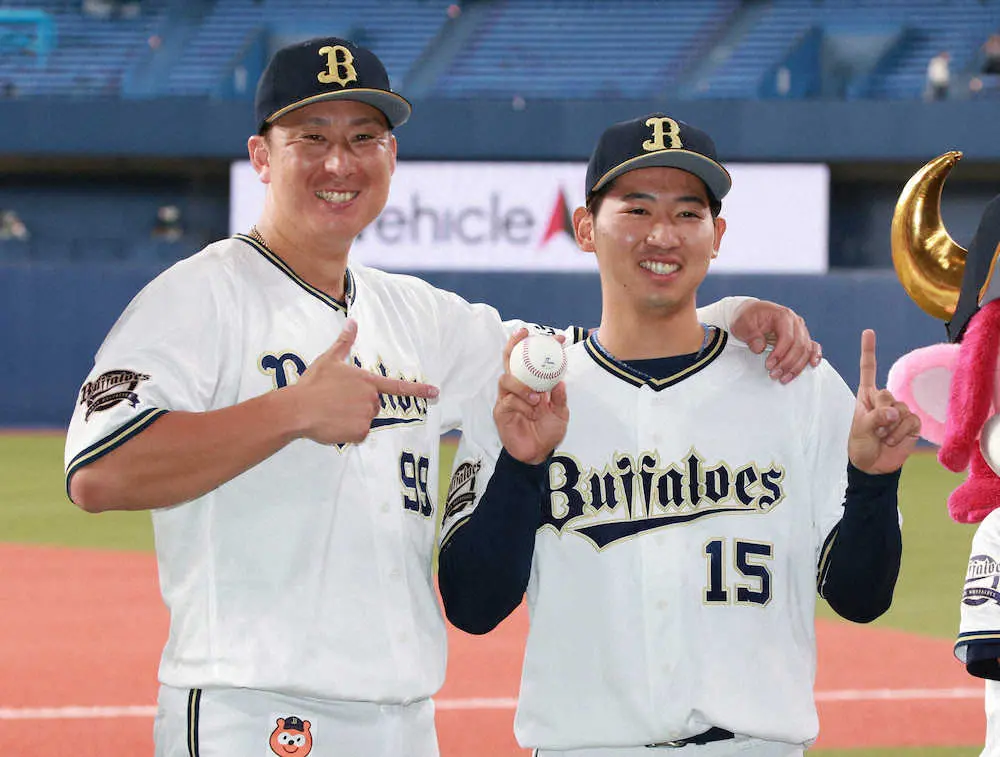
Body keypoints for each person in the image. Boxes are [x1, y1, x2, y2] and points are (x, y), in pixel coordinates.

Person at [65, 40, 820, 757]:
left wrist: (722, 318)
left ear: (391, 156)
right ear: (262, 155)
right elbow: (97, 471)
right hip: (254, 709)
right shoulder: (202, 295)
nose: (340, 161)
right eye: (311, 137)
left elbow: (568, 359)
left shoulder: (418, 316)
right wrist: (289, 410)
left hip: (401, 716)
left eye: (364, 137)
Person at [438, 114, 920, 757]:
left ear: (716, 236)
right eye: (636, 209)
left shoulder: (791, 381)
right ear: (585, 228)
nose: (662, 234)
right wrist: (522, 469)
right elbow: (472, 607)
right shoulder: (526, 396)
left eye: (688, 213)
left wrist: (872, 484)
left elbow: (860, 598)